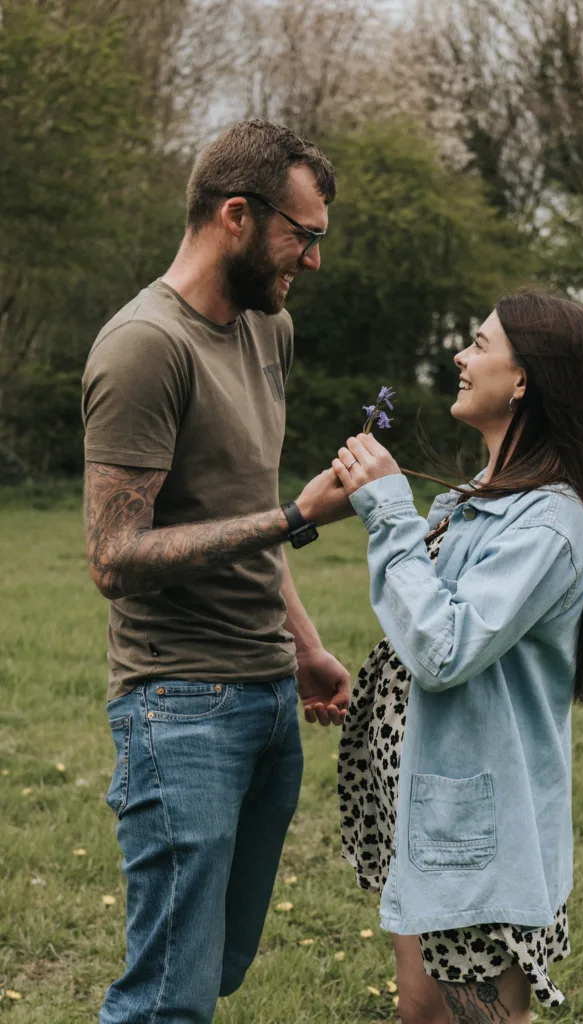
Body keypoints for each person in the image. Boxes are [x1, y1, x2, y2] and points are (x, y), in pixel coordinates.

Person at [82, 120, 353, 1024]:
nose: (311, 262)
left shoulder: (265, 332)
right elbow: (113, 559)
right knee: (168, 997)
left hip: (269, 692)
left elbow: (237, 502)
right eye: (301, 235)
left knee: (217, 966)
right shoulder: (142, 347)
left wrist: (304, 647)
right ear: (236, 215)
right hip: (179, 707)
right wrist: (294, 518)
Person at [321, 291, 583, 1023]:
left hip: (478, 833)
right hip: (429, 808)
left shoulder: (549, 522)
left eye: (479, 344)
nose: (460, 354)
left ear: (522, 381)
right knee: (419, 1011)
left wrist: (390, 512)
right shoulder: (470, 500)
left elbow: (444, 648)